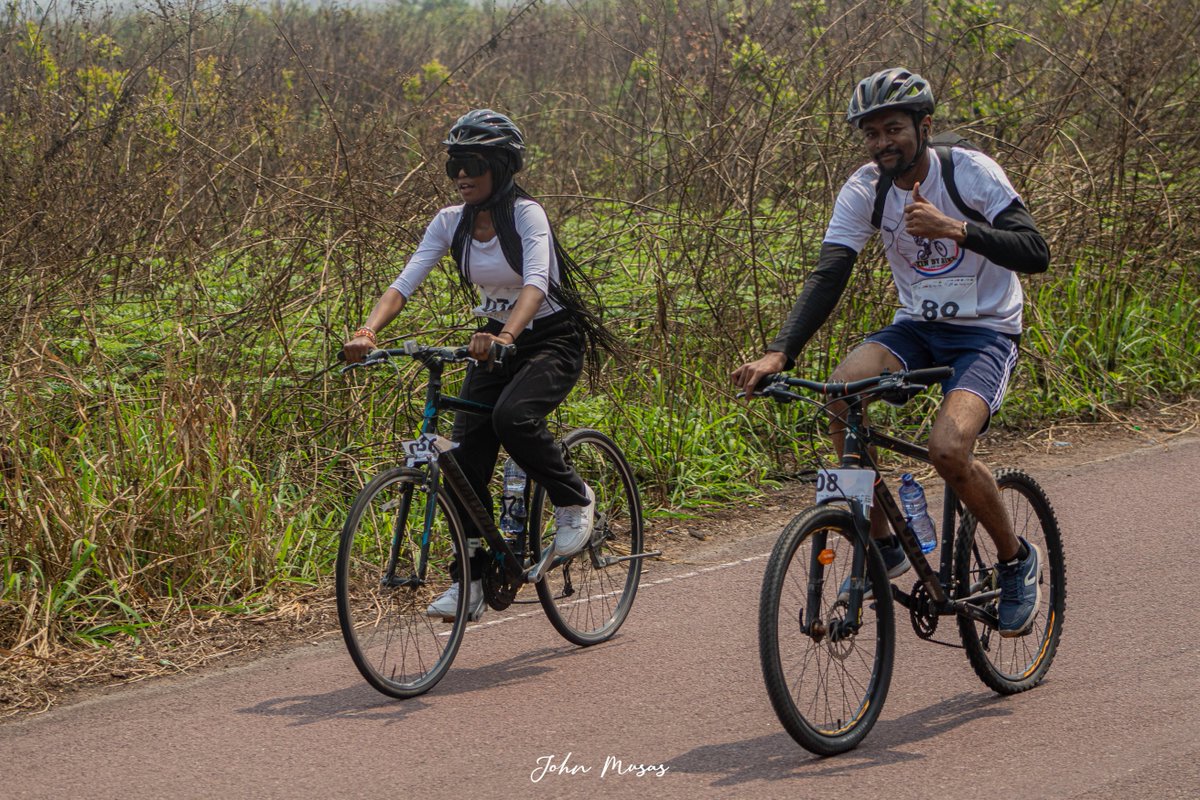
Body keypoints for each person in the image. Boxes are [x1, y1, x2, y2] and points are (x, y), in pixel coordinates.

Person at [732, 67, 1051, 637]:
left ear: (924, 127)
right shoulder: (865, 189)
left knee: (948, 450)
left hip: (985, 334)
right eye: (872, 133)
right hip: (916, 329)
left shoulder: (969, 172)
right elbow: (830, 273)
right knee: (838, 395)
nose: (883, 143)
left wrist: (956, 229)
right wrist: (780, 351)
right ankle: (882, 540)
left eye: (894, 129)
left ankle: (1015, 561)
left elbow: (1034, 250)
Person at [343, 109, 614, 622]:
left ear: (502, 166)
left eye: (472, 163)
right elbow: (404, 283)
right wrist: (367, 332)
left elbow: (537, 282)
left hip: (548, 340)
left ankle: (574, 497)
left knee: (513, 418)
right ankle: (471, 578)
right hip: (490, 343)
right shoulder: (450, 222)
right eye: (453, 166)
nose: (462, 175)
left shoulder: (526, 214)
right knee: (462, 460)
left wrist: (508, 334)